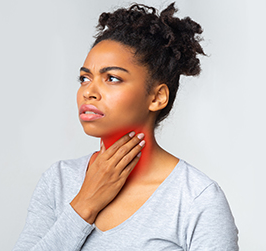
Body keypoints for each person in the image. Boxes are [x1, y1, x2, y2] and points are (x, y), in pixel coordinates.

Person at [13, 3, 238, 250]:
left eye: (112, 78)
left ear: (156, 97)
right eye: (84, 78)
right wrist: (85, 204)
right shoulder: (58, 181)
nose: (89, 91)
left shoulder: (197, 198)